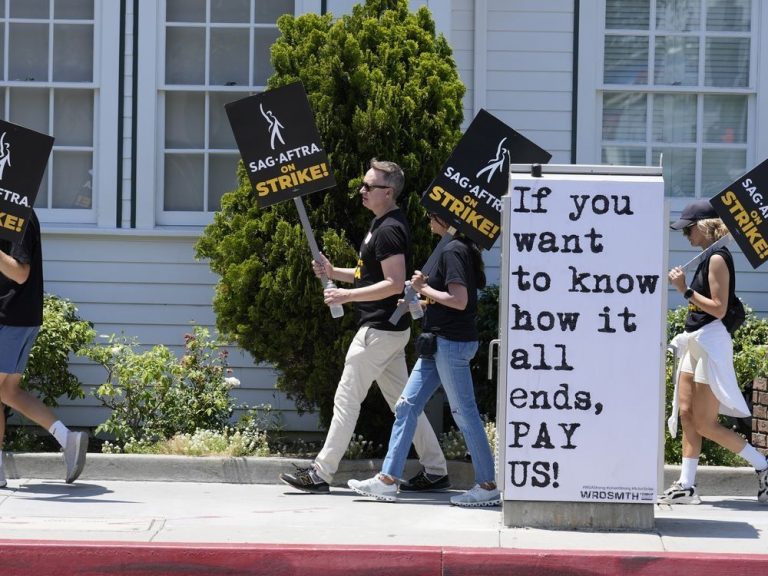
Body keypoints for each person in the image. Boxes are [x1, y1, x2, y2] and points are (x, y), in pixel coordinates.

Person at [280, 159, 448, 493]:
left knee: (346, 399)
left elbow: (393, 282)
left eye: (368, 186)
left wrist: (346, 295)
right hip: (388, 331)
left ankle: (321, 473)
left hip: (378, 332)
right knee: (404, 403)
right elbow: (368, 274)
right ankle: (436, 468)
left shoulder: (389, 230)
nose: (362, 190)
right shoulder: (381, 224)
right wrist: (335, 271)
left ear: (388, 192)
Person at [347, 212, 500, 507]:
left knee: (464, 412)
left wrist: (423, 288)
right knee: (406, 406)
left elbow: (460, 300)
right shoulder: (457, 248)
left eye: (431, 214)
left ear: (446, 220)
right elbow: (452, 301)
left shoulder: (454, 249)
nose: (427, 218)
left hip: (451, 345)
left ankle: (487, 485)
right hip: (439, 343)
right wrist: (419, 302)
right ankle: (387, 480)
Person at [663, 199, 767, 504]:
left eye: (690, 229)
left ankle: (763, 466)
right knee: (686, 414)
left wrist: (684, 290)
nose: (687, 236)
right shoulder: (705, 256)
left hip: (710, 341)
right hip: (694, 338)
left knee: (705, 422)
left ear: (707, 227)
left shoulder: (719, 258)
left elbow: (719, 309)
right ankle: (687, 485)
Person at [0, 209, 88, 488]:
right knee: (7, 391)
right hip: (16, 317)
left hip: (10, 318)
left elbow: (20, 272)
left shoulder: (17, 213)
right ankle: (67, 438)